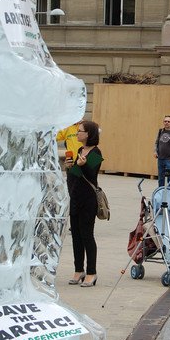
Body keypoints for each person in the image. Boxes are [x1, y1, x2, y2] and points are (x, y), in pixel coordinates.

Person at [65, 120, 103, 287]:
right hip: (76, 198)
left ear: (88, 134)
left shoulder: (96, 152)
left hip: (88, 200)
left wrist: (82, 165)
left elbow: (91, 175)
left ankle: (91, 272)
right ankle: (78, 270)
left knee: (87, 236)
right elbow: (75, 175)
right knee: (76, 236)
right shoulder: (80, 150)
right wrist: (70, 167)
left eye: (80, 131)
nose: (77, 133)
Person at [154, 116, 170, 188]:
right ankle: (161, 192)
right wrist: (155, 151)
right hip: (160, 158)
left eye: (168, 121)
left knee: (169, 177)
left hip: (169, 159)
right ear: (163, 122)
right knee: (160, 177)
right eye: (165, 121)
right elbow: (156, 142)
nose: (167, 123)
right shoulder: (160, 131)